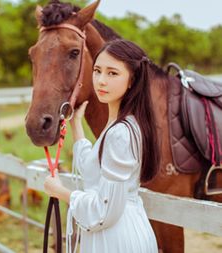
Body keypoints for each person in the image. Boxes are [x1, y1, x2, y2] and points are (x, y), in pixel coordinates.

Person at [44, 39, 160, 253]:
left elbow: (103, 210)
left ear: (132, 80)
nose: (101, 81)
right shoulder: (120, 123)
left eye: (112, 73)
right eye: (97, 71)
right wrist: (76, 125)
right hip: (114, 235)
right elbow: (94, 168)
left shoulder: (121, 133)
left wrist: (61, 192)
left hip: (118, 241)